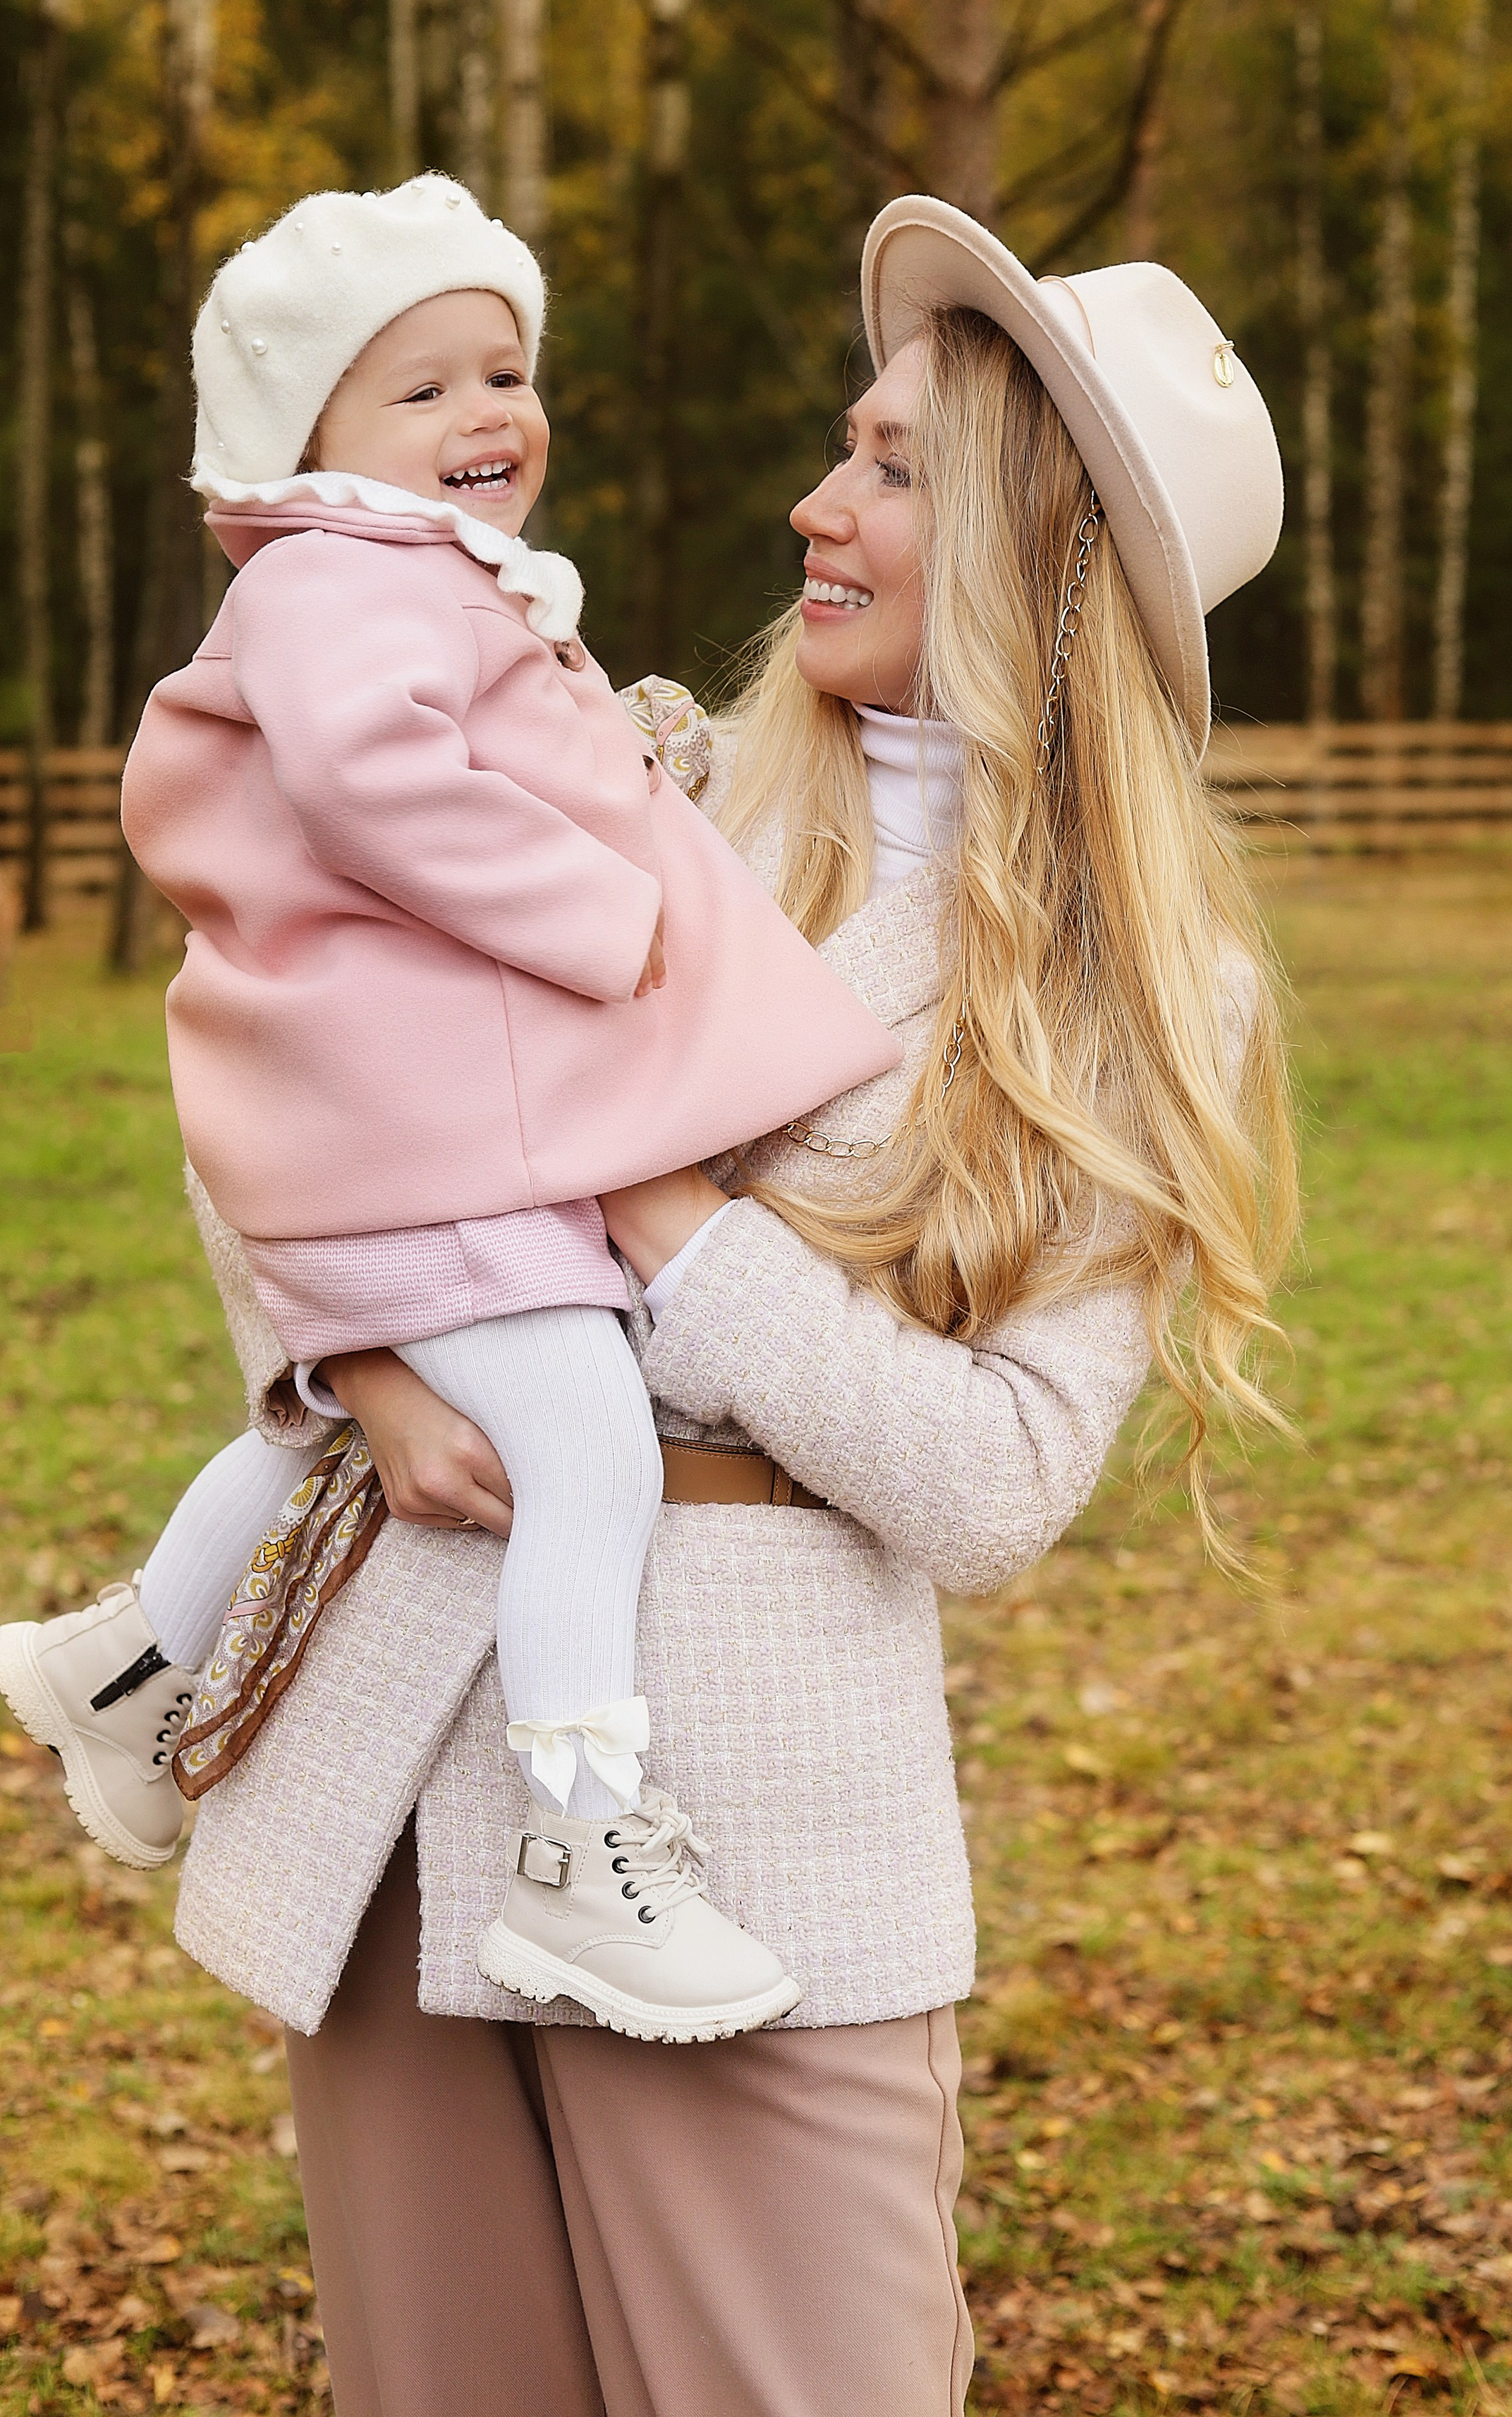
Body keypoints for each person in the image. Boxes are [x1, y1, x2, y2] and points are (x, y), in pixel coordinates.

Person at [133, 197, 1296, 2417]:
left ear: (1044, 547)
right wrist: (365, 1362)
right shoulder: (630, 785)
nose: (815, 500)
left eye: (891, 464)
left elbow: (997, 1485)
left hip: (755, 1834)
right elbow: (274, 1071)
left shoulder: (1148, 998)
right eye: (840, 443)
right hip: (405, 1758)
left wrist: (667, 1219)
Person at [0, 173, 899, 2045]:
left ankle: (123, 1664)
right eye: (417, 390)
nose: (486, 413)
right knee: (590, 1451)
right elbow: (368, 779)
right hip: (428, 1132)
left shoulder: (405, 576)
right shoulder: (340, 580)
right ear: (305, 436)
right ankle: (582, 1839)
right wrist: (601, 904)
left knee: (331, 1426)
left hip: (402, 1123)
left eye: (502, 368)